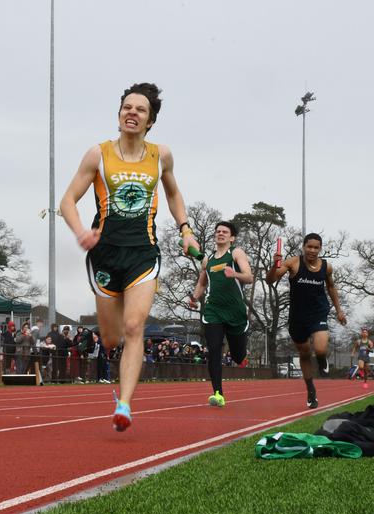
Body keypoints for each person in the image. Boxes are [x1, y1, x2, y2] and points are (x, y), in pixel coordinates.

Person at [59, 82, 200, 431]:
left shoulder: (161, 156)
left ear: (150, 121)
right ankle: (119, 380)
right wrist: (80, 232)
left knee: (134, 326)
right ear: (119, 114)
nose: (132, 113)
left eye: (140, 109)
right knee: (110, 339)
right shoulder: (98, 154)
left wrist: (185, 228)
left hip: (143, 254)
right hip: (104, 256)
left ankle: (124, 404)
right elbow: (67, 202)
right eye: (127, 107)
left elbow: (174, 193)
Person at [267, 233, 347, 409]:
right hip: (297, 317)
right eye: (309, 246)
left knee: (320, 347)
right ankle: (311, 390)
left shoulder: (326, 267)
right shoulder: (293, 263)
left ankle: (321, 359)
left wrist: (339, 310)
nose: (312, 250)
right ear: (303, 247)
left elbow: (331, 287)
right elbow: (270, 280)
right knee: (304, 353)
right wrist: (275, 264)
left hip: (318, 313)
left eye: (316, 247)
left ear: (320, 249)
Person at [189, 221, 254, 407]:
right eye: (218, 231)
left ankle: (242, 354)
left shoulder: (236, 253)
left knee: (237, 356)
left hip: (235, 312)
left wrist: (235, 274)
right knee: (214, 349)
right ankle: (218, 394)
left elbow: (249, 277)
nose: (220, 234)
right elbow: (202, 283)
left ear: (232, 237)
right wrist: (194, 298)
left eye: (225, 232)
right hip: (213, 310)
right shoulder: (207, 260)